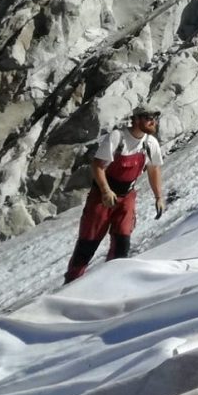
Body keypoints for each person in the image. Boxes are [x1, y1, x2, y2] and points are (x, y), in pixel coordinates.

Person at [64, 107, 167, 283]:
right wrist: (105, 190)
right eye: (149, 118)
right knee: (88, 242)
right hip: (102, 197)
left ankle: (111, 282)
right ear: (135, 119)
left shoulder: (150, 144)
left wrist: (159, 196)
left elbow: (154, 168)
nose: (153, 122)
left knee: (122, 243)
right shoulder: (117, 138)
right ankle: (71, 282)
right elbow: (97, 166)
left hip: (127, 197)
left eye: (155, 118)